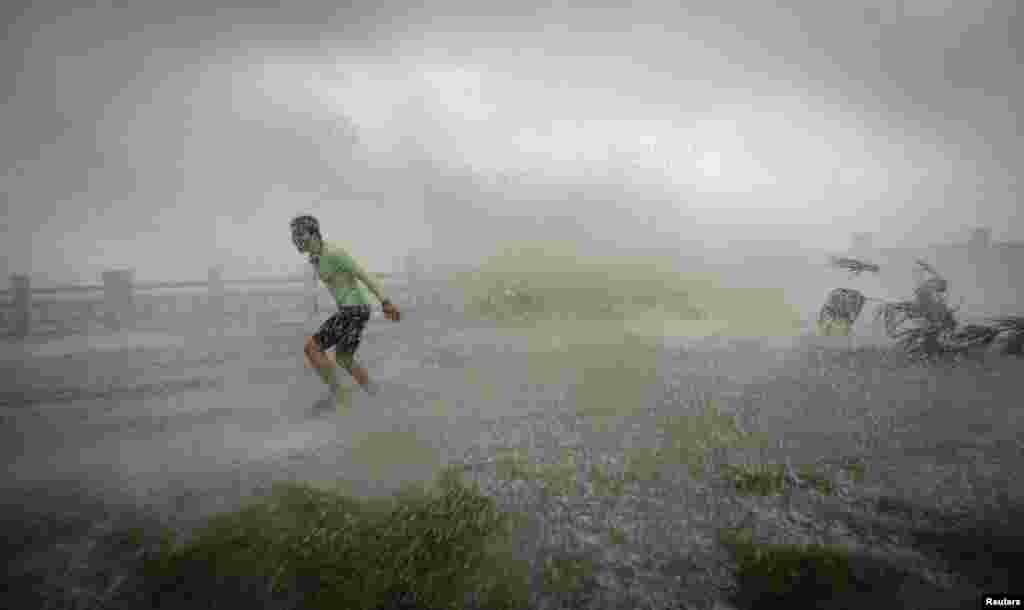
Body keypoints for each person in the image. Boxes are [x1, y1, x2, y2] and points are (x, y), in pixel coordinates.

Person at [290, 215, 401, 407]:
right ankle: (376, 396)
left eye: (300, 234)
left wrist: (386, 302)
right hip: (352, 310)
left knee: (312, 348)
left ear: (314, 234)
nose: (295, 239)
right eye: (294, 235)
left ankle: (341, 398)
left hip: (354, 310)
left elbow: (362, 275)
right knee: (344, 358)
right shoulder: (315, 258)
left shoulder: (333, 253)